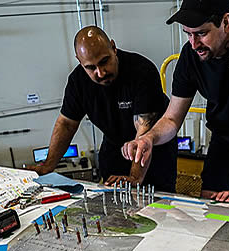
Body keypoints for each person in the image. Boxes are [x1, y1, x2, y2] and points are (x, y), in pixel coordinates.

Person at [122, 0, 229, 205]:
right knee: (211, 201)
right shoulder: (191, 54)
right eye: (188, 34)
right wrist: (149, 138)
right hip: (225, 136)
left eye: (202, 33)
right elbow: (171, 118)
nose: (194, 44)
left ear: (226, 22)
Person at [30, 26, 177, 192]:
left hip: (152, 150)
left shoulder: (141, 71)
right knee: (112, 202)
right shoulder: (77, 82)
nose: (100, 73)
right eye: (90, 67)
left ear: (113, 48)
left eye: (104, 62)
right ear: (79, 61)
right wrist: (47, 167)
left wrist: (135, 178)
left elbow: (143, 131)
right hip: (114, 146)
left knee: (156, 206)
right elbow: (66, 124)